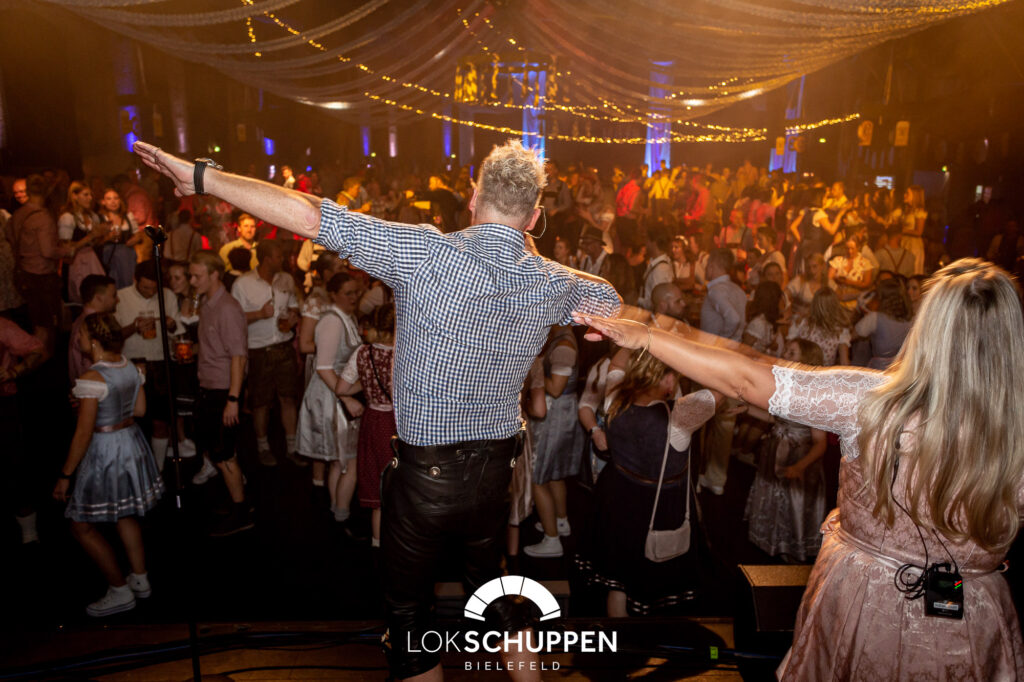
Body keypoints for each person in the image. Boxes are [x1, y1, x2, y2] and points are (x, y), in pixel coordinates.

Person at [134, 138, 620, 681]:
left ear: (473, 198)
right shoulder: (550, 280)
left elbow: (311, 216)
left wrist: (203, 178)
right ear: (534, 216)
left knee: (410, 623)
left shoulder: (426, 252)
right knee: (495, 592)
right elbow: (610, 302)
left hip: (425, 479)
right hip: (493, 478)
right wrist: (545, 270)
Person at [580, 257, 1024, 679]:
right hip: (975, 615)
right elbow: (758, 371)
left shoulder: (871, 402)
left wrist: (648, 336)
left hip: (867, 605)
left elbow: (746, 380)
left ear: (928, 329)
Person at [576, 350, 721, 616]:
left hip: (617, 495)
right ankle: (652, 635)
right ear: (668, 380)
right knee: (654, 580)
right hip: (660, 503)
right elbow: (722, 387)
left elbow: (617, 362)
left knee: (618, 577)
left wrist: (642, 339)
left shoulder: (615, 398)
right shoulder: (681, 415)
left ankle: (619, 636)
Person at [52, 312, 164, 616]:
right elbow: (140, 410)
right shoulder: (129, 365)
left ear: (94, 340)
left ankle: (119, 590)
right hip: (131, 442)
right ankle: (140, 579)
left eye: (81, 334)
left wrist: (65, 474)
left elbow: (83, 433)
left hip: (106, 451)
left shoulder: (92, 378)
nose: (77, 338)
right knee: (125, 514)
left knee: (80, 526)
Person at [740, 339, 827, 562]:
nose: (784, 354)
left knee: (792, 507)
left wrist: (799, 467)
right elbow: (776, 420)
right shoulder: (785, 387)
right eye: (786, 350)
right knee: (773, 499)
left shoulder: (812, 397)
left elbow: (821, 443)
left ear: (806, 361)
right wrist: (746, 410)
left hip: (798, 457)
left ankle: (792, 551)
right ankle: (771, 541)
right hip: (776, 451)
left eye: (791, 352)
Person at [188, 251, 253, 536]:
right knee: (219, 451)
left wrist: (233, 399)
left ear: (215, 275)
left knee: (224, 454)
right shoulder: (207, 303)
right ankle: (239, 502)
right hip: (210, 387)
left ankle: (241, 513)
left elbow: (239, 357)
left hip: (223, 391)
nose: (192, 281)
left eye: (197, 276)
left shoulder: (227, 308)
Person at [295, 272, 364, 526]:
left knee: (340, 461)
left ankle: (338, 512)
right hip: (331, 395)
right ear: (334, 295)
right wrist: (346, 398)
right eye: (348, 293)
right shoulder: (332, 322)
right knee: (346, 462)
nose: (354, 297)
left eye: (356, 292)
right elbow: (323, 368)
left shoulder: (347, 317)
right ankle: (341, 515)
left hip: (339, 391)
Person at [231, 240, 301, 467]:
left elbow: (294, 305)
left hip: (283, 346)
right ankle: (263, 447)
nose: (282, 260)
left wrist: (293, 317)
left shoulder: (286, 279)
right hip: (258, 349)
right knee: (261, 402)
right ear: (267, 259)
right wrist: (259, 315)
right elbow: (233, 318)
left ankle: (292, 448)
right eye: (278, 256)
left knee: (288, 398)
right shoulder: (243, 284)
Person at [336, 302, 397, 547]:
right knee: (399, 488)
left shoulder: (363, 352)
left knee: (377, 492)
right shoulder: (404, 353)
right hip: (397, 424)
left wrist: (365, 385)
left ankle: (377, 545)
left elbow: (342, 388)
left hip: (371, 422)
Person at [524, 325, 582, 559]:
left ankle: (552, 540)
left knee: (537, 478)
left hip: (555, 414)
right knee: (555, 474)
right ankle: (560, 521)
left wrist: (534, 368)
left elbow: (556, 388)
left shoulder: (564, 346)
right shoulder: (561, 340)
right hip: (562, 413)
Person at [114, 260, 179, 471]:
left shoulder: (168, 296)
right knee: (131, 419)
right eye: (145, 288)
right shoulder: (121, 297)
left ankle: (158, 469)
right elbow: (113, 337)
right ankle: (133, 468)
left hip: (161, 362)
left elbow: (177, 331)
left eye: (154, 288)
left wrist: (171, 325)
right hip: (131, 363)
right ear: (135, 280)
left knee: (161, 420)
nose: (151, 292)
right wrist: (134, 327)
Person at [1, 316, 45, 544]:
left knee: (14, 467)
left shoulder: (2, 326)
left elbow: (36, 349)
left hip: (3, 406)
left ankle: (29, 533)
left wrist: (15, 371)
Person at [854, 278, 913, 370]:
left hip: (879, 369)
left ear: (881, 298)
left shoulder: (875, 318)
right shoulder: (910, 318)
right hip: (901, 368)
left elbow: (853, 335)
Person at [69, 275, 117, 382]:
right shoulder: (91, 326)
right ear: (99, 298)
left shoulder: (81, 319)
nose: (117, 300)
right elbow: (89, 365)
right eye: (114, 295)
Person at [787, 287, 850, 366]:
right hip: (814, 371)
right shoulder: (841, 330)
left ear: (814, 304)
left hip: (804, 369)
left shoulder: (802, 322)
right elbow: (844, 362)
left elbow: (787, 350)